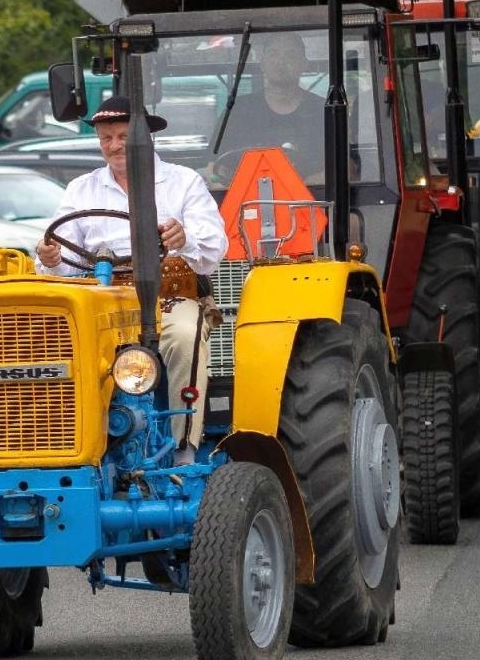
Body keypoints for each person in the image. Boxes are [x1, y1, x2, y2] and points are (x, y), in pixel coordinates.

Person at [36, 96, 227, 453]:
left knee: (185, 335)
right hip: (104, 299)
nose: (114, 146)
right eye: (106, 138)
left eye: (123, 136)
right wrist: (49, 256)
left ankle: (183, 446)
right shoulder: (82, 188)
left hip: (167, 297)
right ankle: (70, 447)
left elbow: (214, 250)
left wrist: (183, 238)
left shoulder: (183, 182)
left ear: (144, 138)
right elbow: (59, 260)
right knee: (56, 344)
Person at [230, 32, 325, 178]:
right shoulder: (239, 110)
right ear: (263, 64)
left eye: (290, 55)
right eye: (273, 54)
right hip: (249, 199)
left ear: (304, 64)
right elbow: (213, 168)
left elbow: (347, 169)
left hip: (315, 199)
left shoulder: (324, 110)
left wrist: (296, 190)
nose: (280, 62)